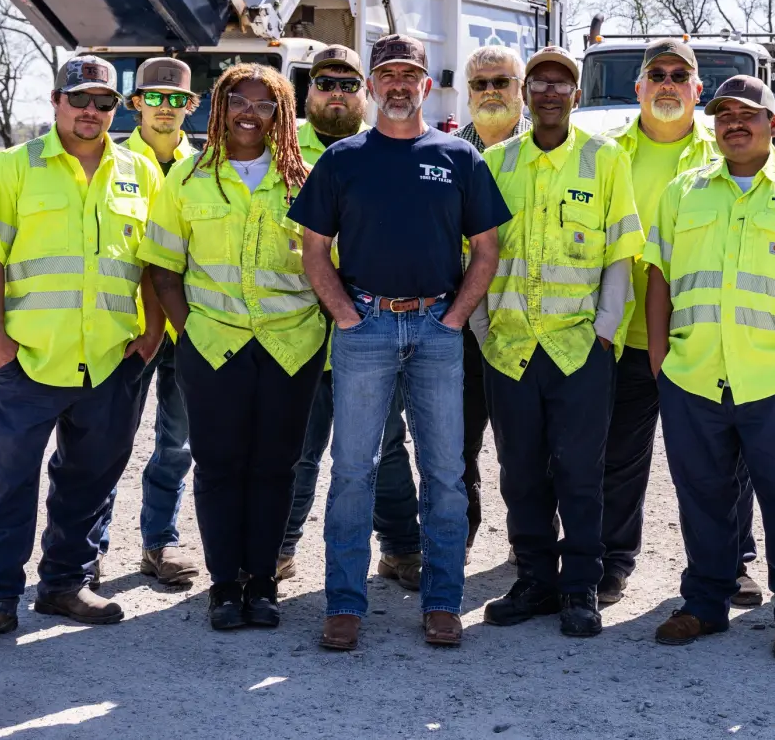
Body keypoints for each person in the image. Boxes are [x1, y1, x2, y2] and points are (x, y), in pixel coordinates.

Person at [289, 34, 507, 652]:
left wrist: (454, 319)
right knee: (353, 471)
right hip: (367, 326)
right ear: (371, 87)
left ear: (427, 86)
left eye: (410, 74)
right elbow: (314, 249)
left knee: (443, 473)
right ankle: (344, 605)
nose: (399, 84)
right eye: (387, 74)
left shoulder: (459, 158)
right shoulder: (343, 159)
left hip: (438, 328)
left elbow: (486, 250)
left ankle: (442, 603)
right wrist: (347, 317)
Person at [0, 56, 163, 652]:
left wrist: (152, 334)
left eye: (104, 102)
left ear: (116, 110)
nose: (92, 111)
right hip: (31, 361)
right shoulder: (17, 167)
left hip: (114, 360)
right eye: (80, 99)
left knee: (90, 481)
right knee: (9, 483)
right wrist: (0, 350)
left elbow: (154, 263)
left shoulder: (140, 170)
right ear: (56, 101)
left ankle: (65, 584)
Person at [644, 75, 775, 661]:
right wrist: (661, 358)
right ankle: (705, 604)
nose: (735, 123)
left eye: (749, 114)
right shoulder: (684, 191)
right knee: (703, 496)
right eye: (724, 114)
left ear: (774, 123)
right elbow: (658, 275)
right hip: (693, 373)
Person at [139, 64, 327, 630]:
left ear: (282, 114)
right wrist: (190, 334)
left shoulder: (307, 179)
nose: (250, 113)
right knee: (218, 466)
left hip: (291, 345)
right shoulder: (189, 178)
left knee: (275, 466)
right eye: (237, 101)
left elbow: (329, 266)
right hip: (212, 345)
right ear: (218, 108)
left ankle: (264, 583)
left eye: (264, 104)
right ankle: (225, 587)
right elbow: (164, 268)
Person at [475, 46, 644, 639]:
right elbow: (476, 252)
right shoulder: (496, 163)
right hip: (510, 347)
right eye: (539, 83)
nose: (549, 93)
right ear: (524, 94)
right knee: (520, 472)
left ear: (576, 95)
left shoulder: (606, 161)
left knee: (579, 471)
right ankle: (536, 581)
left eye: (561, 84)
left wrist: (605, 332)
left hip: (579, 348)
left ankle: (580, 589)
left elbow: (621, 255)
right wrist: (482, 327)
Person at [281, 44, 423, 589]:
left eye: (348, 83)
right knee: (301, 449)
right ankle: (281, 549)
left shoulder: (390, 148)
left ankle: (401, 550)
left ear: (364, 92)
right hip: (297, 335)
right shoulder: (279, 150)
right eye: (325, 83)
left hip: (375, 332)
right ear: (307, 91)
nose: (336, 93)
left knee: (386, 447)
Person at [595, 39, 725, 608]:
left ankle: (729, 564)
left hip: (702, 336)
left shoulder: (724, 152)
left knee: (720, 461)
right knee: (619, 457)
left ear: (698, 90)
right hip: (624, 335)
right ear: (638, 87)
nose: (668, 84)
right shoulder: (607, 153)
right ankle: (612, 561)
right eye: (657, 74)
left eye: (680, 75)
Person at [95, 56, 200, 588]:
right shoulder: (109, 162)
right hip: (127, 331)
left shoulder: (203, 167)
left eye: (176, 99)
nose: (165, 108)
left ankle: (160, 544)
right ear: (135, 103)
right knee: (108, 441)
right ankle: (91, 552)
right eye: (154, 98)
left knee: (175, 444)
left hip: (183, 330)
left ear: (190, 106)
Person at [454, 44, 531, 559]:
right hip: (455, 327)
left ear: (521, 89)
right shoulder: (444, 154)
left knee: (525, 449)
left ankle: (531, 554)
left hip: (526, 326)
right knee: (454, 448)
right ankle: (453, 545)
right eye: (480, 84)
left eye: (501, 81)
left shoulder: (553, 152)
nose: (490, 92)